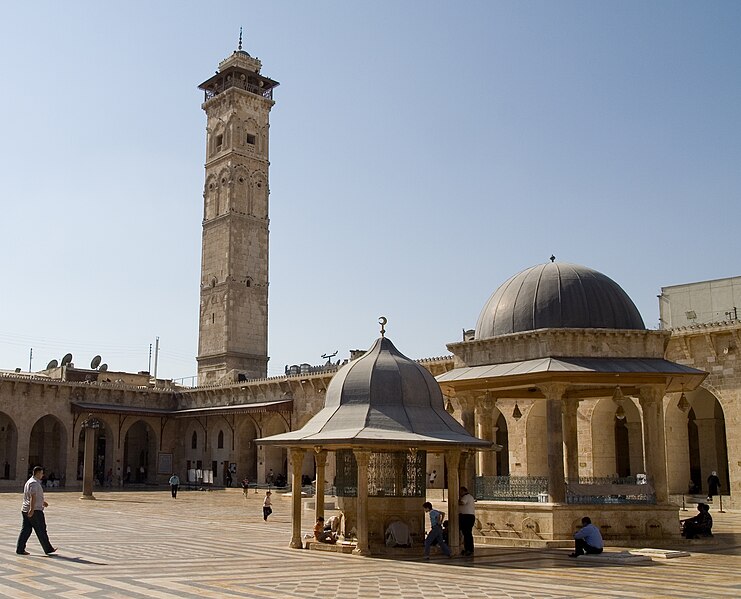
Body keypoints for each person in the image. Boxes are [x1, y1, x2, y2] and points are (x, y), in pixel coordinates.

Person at [16, 466, 57, 555]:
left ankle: (20, 549)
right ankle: (48, 548)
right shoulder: (34, 483)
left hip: (25, 509)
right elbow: (33, 496)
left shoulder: (29, 482)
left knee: (26, 530)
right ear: (37, 473)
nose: (42, 475)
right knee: (41, 529)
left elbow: (34, 496)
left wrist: (42, 502)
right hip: (35, 511)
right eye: (41, 473)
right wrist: (32, 509)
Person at [459, 486, 476, 556]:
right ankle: (469, 549)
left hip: (467, 517)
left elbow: (462, 503)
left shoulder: (466, 497)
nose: (460, 493)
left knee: (467, 534)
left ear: (463, 491)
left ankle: (468, 549)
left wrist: (454, 500)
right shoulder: (470, 497)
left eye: (460, 491)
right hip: (469, 517)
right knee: (467, 534)